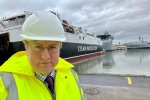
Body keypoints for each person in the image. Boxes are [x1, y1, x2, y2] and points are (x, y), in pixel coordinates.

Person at [0, 11, 86, 100]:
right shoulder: (4, 82)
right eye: (37, 47)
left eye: (53, 47)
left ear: (59, 47)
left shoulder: (71, 74)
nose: (46, 56)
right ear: (26, 47)